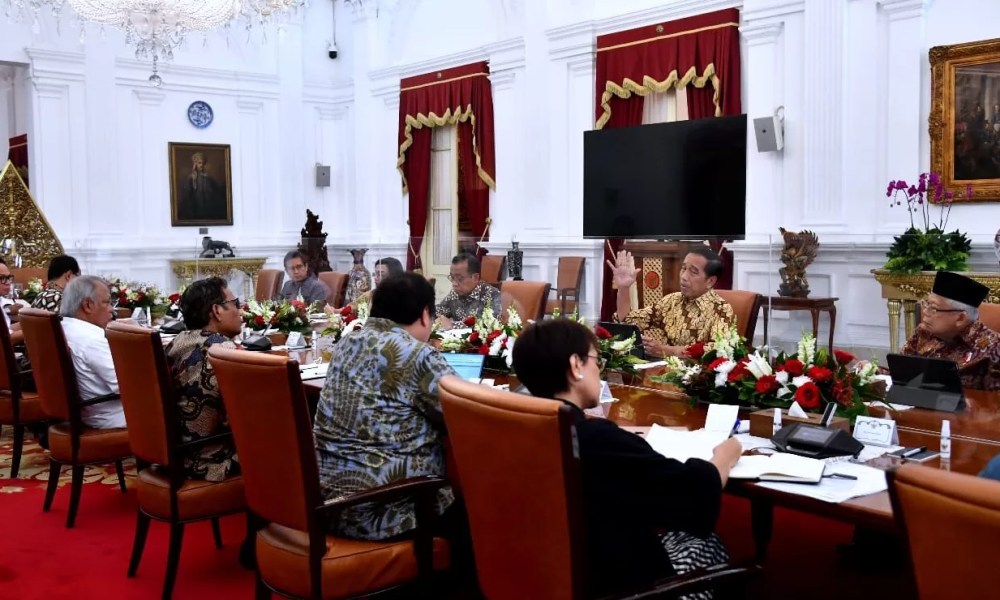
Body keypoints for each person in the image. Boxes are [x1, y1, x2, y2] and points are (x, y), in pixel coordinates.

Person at [512, 319, 741, 597]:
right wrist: (725, 455)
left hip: (544, 577)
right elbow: (692, 493)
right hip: (621, 586)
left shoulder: (520, 428)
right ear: (575, 366)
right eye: (596, 360)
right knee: (709, 544)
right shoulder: (594, 438)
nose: (599, 370)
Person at [313, 272, 458, 540]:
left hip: (328, 505)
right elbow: (466, 414)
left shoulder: (346, 343)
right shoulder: (417, 354)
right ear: (425, 315)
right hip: (387, 512)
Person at [164, 277, 241, 482]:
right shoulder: (223, 351)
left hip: (175, 456)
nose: (241, 311)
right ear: (217, 311)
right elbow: (243, 416)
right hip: (211, 461)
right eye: (236, 304)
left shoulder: (177, 341)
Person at [609, 246, 735, 358]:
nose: (684, 277)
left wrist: (666, 350)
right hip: (664, 370)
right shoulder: (672, 301)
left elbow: (718, 350)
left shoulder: (721, 309)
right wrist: (624, 288)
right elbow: (628, 322)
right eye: (683, 268)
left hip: (698, 374)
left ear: (710, 281)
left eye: (693, 272)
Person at [901, 271, 1000, 390]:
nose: (925, 312)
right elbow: (900, 372)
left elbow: (994, 399)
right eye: (926, 304)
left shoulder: (993, 348)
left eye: (933, 308)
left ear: (960, 318)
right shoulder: (924, 332)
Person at [60, 276, 126, 429]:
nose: (111, 309)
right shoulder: (91, 340)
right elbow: (126, 385)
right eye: (106, 302)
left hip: (88, 412)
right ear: (88, 305)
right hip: (115, 416)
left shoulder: (64, 327)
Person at [435, 253, 501, 328]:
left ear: (475, 278)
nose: (454, 284)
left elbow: (491, 326)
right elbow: (436, 312)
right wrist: (440, 318)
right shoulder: (454, 294)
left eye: (460, 278)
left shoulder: (492, 295)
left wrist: (453, 325)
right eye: (452, 278)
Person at [179, 151, 228, 222]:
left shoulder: (208, 179)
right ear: (195, 164)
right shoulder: (190, 179)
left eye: (203, 163)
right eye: (199, 163)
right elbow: (187, 197)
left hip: (208, 210)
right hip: (195, 210)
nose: (201, 165)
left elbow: (215, 193)